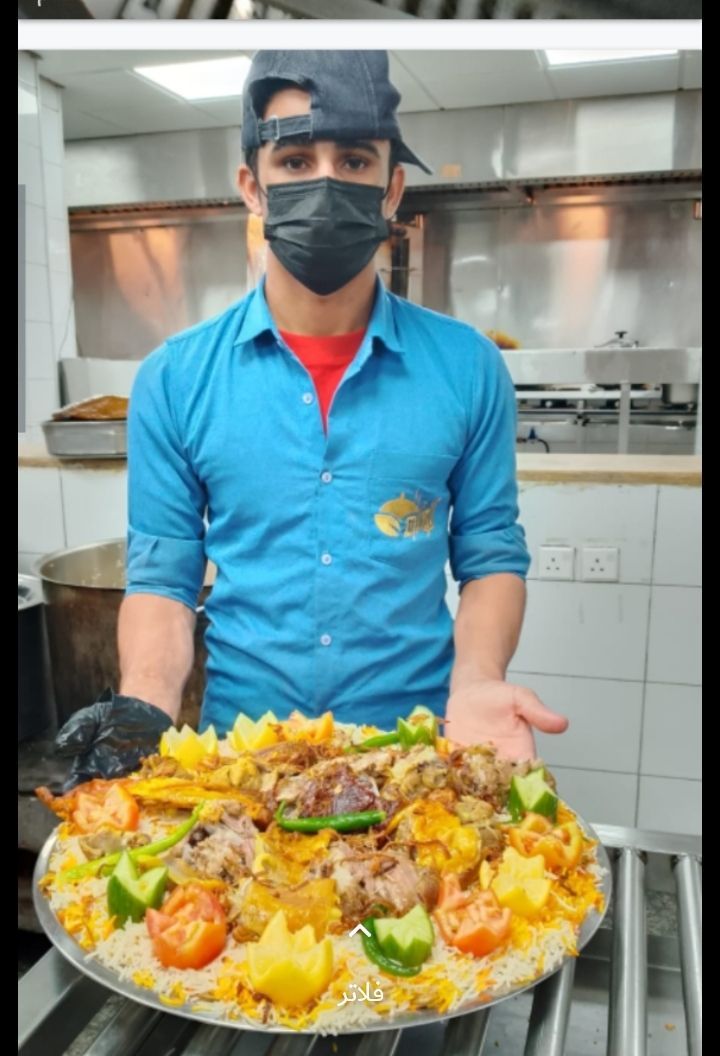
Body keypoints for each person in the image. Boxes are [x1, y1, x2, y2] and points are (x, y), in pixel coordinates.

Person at [56, 51, 567, 786]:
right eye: (295, 160)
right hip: (242, 762)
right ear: (252, 187)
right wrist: (144, 704)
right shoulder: (175, 378)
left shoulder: (468, 368)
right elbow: (164, 580)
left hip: (414, 758)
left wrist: (479, 680)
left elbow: (490, 556)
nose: (325, 183)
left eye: (354, 160)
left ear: (392, 189)